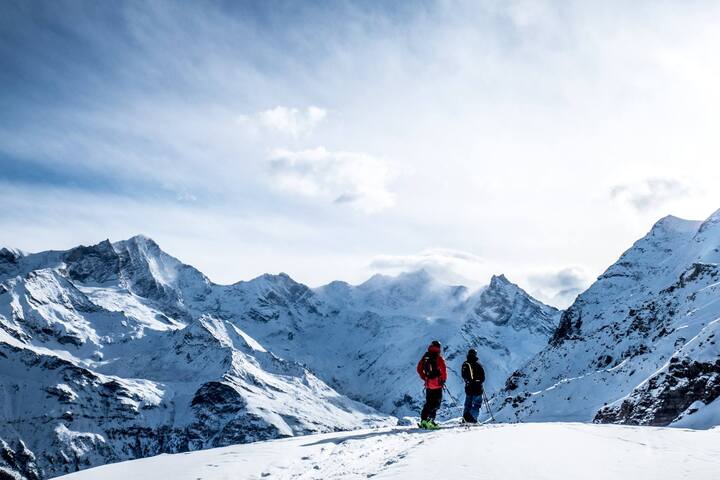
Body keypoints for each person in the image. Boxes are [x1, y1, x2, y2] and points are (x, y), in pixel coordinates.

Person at [416, 340, 447, 429]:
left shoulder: (425, 357)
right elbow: (444, 370)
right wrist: (443, 380)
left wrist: (424, 377)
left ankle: (424, 420)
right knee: (436, 403)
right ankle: (430, 420)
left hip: (428, 384)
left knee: (428, 402)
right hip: (437, 384)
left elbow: (419, 368)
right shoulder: (438, 358)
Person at [461, 348, 486, 423]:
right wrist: (479, 382)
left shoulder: (465, 364)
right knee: (476, 404)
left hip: (468, 387)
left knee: (468, 404)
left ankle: (465, 420)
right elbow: (483, 377)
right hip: (477, 388)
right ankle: (472, 419)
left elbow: (463, 375)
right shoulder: (478, 364)